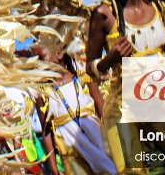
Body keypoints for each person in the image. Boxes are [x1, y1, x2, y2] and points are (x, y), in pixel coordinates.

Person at [84, 0, 165, 173]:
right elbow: (90, 69)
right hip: (124, 110)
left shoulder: (159, 6)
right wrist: (109, 59)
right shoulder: (104, 15)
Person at [32, 45, 115, 175]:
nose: (37, 63)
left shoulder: (83, 77)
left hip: (96, 138)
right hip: (68, 148)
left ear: (59, 53)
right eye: (34, 59)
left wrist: (114, 137)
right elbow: (45, 130)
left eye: (41, 57)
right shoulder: (41, 92)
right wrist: (53, 167)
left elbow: (102, 108)